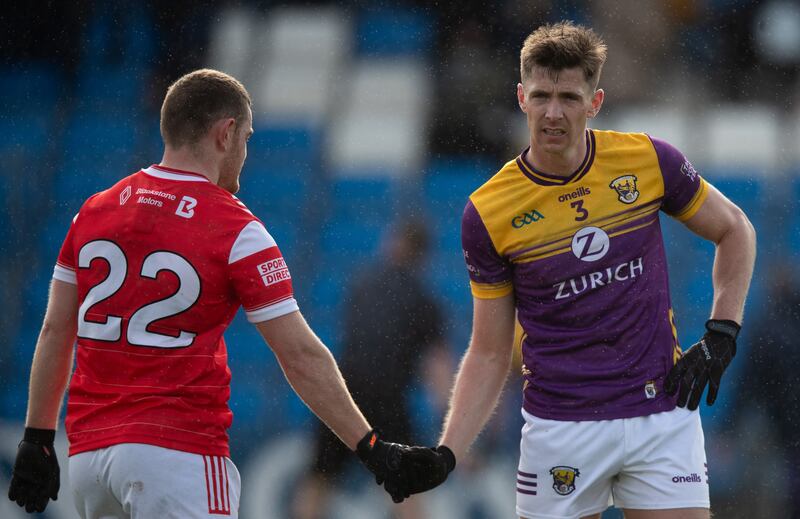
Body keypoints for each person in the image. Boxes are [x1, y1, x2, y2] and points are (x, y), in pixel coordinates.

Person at [388, 21, 757, 519]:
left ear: (595, 101)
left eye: (568, 96)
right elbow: (490, 350)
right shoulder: (489, 213)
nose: (553, 112)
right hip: (560, 428)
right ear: (521, 97)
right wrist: (448, 450)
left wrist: (722, 331)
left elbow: (735, 229)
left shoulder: (646, 160)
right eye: (541, 96)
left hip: (660, 415)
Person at [6, 69, 406, 518]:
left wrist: (37, 437)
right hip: (178, 455)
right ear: (226, 133)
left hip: (89, 460)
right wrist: (372, 447)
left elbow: (56, 329)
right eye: (247, 138)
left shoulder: (94, 211)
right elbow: (300, 355)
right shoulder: (236, 229)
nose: (245, 153)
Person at [291, 220, 451, 519]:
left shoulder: (362, 284)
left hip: (343, 390)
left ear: (394, 242)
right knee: (405, 482)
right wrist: (447, 413)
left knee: (320, 475)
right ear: (424, 255)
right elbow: (437, 366)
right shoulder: (425, 299)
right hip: (388, 396)